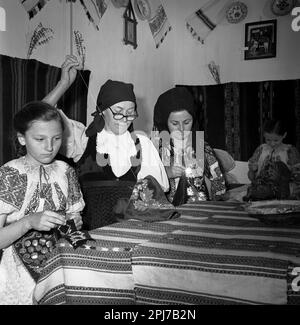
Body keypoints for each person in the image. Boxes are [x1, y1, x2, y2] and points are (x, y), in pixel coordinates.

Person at [0, 101, 85, 305]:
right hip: (20, 275)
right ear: (22, 138)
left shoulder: (66, 171)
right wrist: (28, 222)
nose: (49, 147)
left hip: (62, 266)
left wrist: (74, 224)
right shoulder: (10, 175)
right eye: (40, 139)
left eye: (56, 138)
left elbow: (74, 217)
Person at [43, 55, 169, 191]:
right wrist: (63, 83)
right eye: (118, 111)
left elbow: (155, 196)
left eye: (131, 112)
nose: (125, 118)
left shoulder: (143, 145)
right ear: (102, 111)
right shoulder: (83, 139)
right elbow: (39, 118)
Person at [153, 87, 226, 205]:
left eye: (187, 122)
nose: (181, 129)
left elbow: (219, 187)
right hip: (167, 212)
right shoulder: (157, 147)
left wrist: (202, 178)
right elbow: (145, 185)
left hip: (199, 209)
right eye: (175, 123)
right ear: (164, 122)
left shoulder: (200, 146)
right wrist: (166, 174)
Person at [246, 119, 300, 200]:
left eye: (276, 140)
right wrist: (252, 171)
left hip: (284, 189)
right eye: (268, 140)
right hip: (263, 188)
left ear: (284, 135)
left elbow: (297, 177)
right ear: (264, 135)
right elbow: (252, 178)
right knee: (254, 192)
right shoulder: (261, 149)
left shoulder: (290, 151)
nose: (272, 144)